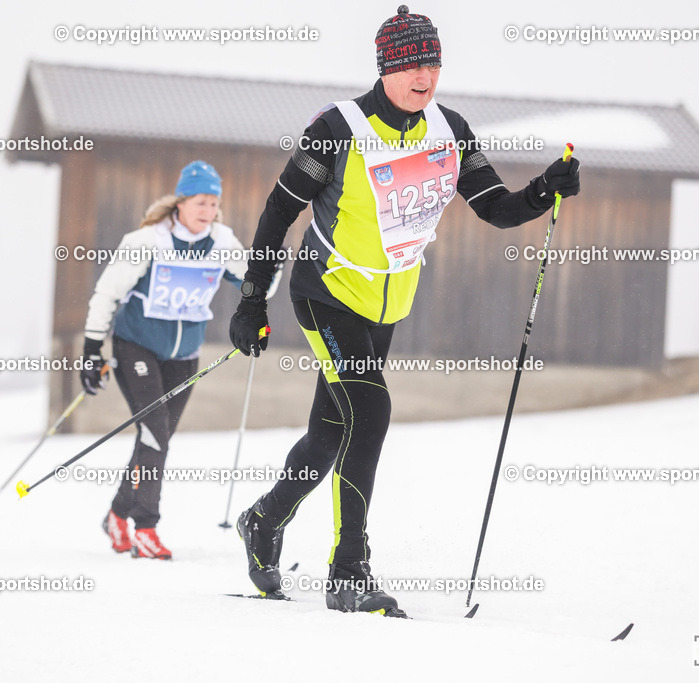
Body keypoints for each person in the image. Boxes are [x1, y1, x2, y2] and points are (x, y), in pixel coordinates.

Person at [229, 6, 580, 615]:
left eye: (434, 62)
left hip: (388, 302)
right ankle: (349, 572)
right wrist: (252, 297)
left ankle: (264, 519)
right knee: (371, 410)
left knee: (331, 433)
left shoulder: (450, 129)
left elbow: (495, 206)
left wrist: (543, 190)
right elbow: (278, 212)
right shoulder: (337, 128)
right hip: (327, 292)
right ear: (386, 67)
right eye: (413, 63)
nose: (425, 75)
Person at [81, 161, 248, 560]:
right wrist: (91, 350)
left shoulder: (222, 241)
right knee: (154, 431)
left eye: (213, 204)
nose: (207, 211)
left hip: (184, 354)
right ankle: (145, 526)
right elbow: (107, 293)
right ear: (180, 203)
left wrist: (267, 274)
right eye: (200, 203)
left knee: (157, 436)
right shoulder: (148, 241)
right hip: (136, 344)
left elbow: (256, 279)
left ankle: (117, 515)